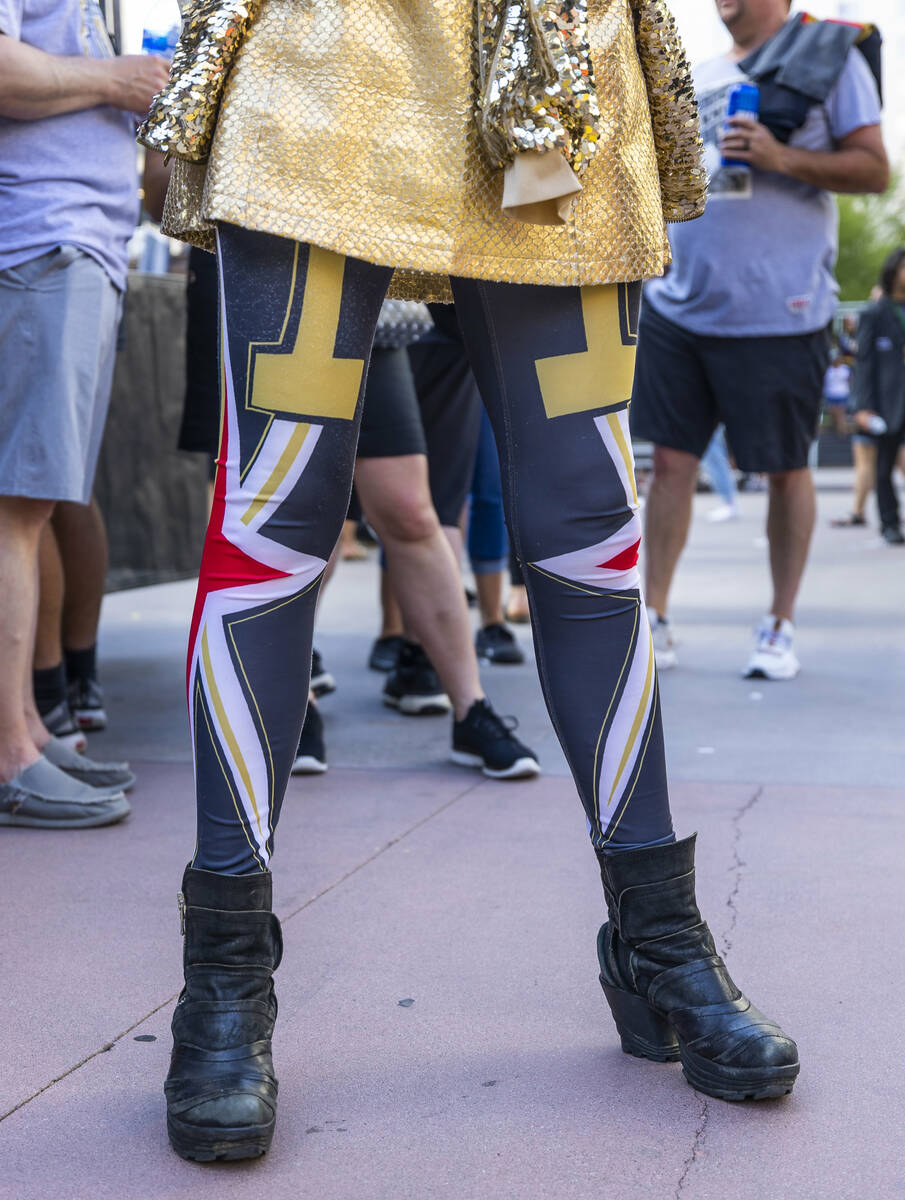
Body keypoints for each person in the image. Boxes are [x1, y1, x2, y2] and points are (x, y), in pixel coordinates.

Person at [144, 0, 800, 1162]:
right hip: (328, 64)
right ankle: (224, 977)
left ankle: (657, 942)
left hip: (555, 76)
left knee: (589, 528)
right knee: (275, 523)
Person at [631, 0, 888, 680]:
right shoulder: (696, 69)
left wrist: (781, 156)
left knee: (784, 468)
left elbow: (872, 169)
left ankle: (778, 624)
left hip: (780, 310)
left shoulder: (826, 58)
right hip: (677, 304)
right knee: (669, 465)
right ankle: (652, 617)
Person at [0, 1, 168, 828]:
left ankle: (27, 731)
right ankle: (12, 756)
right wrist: (117, 80)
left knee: (31, 504)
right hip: (39, 241)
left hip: (73, 245)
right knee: (19, 505)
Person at [852, 248, 905, 545]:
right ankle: (890, 523)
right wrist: (863, 406)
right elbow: (864, 363)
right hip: (888, 404)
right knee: (882, 468)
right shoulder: (875, 313)